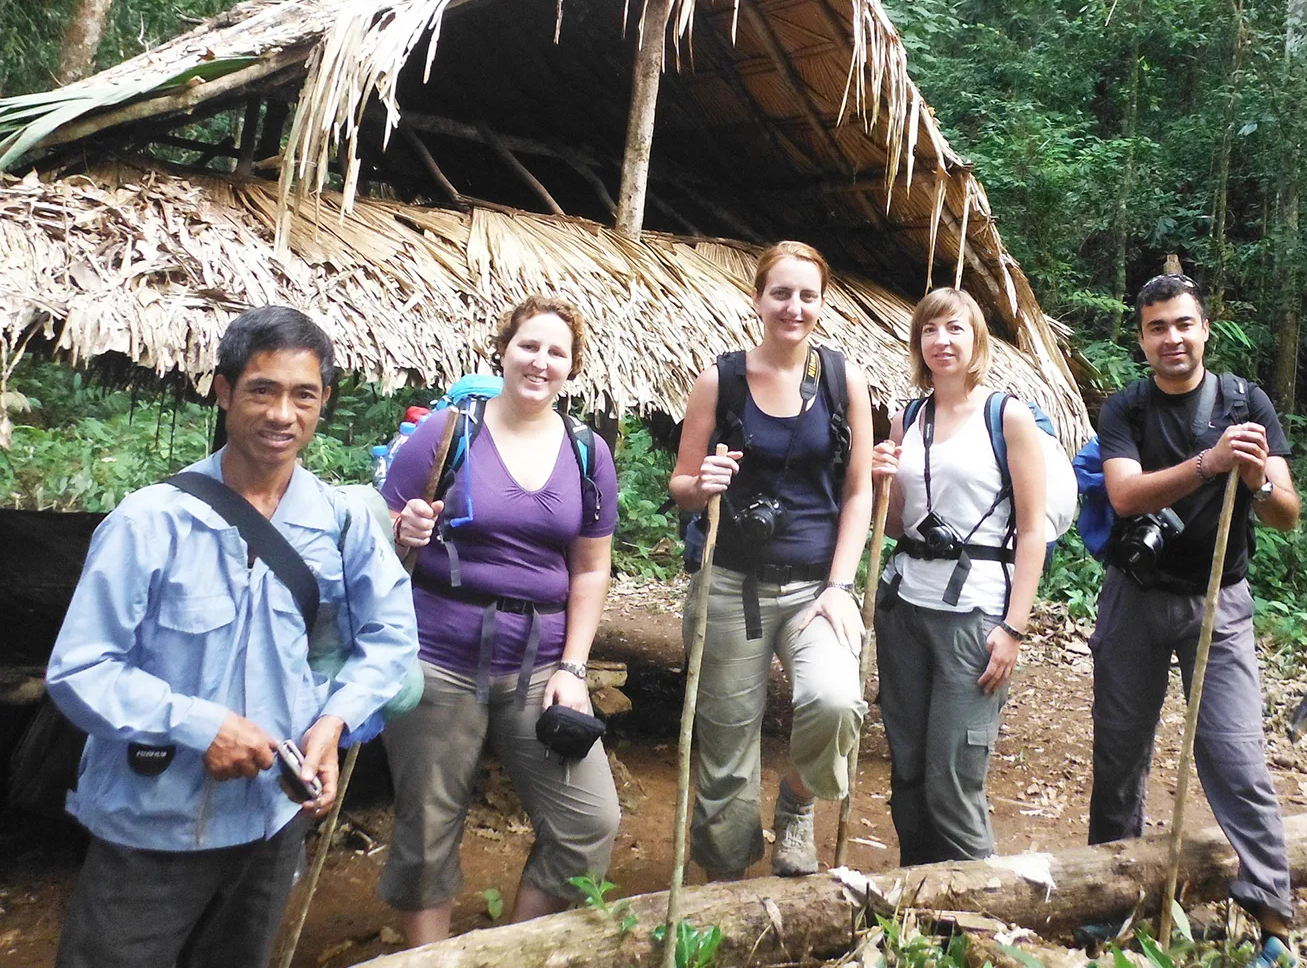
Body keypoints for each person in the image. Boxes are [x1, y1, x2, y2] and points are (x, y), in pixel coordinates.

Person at [46, 306, 420, 968]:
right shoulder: (150, 524)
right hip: (149, 827)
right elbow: (81, 670)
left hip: (272, 822)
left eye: (303, 395)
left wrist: (333, 723)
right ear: (223, 392)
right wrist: (198, 724)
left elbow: (392, 639)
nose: (282, 414)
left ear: (324, 402)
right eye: (262, 390)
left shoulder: (340, 524)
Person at [381, 296, 620, 944]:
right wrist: (409, 531)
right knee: (428, 827)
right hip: (438, 654)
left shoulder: (586, 452)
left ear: (573, 368)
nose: (540, 361)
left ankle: (513, 949)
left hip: (541, 662)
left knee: (588, 820)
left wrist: (574, 666)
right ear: (503, 350)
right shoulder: (448, 432)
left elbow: (592, 568)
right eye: (529, 346)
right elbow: (382, 538)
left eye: (556, 352)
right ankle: (428, 961)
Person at [1088, 273, 1301, 968]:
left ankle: (1273, 917)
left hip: (1221, 603)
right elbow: (1123, 496)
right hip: (1135, 596)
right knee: (1121, 753)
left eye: (1183, 324)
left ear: (1204, 329)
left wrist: (1257, 480)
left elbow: (1286, 514)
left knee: (1235, 755)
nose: (1172, 339)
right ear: (1143, 339)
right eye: (1157, 328)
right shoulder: (1127, 408)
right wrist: (1208, 463)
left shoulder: (1247, 403)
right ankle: (1107, 902)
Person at [667, 241, 874, 878]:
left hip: (818, 586)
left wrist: (842, 584)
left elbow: (859, 489)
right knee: (726, 738)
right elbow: (679, 483)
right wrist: (704, 484)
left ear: (822, 303)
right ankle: (725, 872)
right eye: (781, 293)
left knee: (836, 702)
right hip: (731, 582)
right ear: (759, 300)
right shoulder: (721, 379)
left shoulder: (844, 380)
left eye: (807, 295)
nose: (794, 306)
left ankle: (796, 808)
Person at [869, 286, 1047, 864]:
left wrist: (1014, 629)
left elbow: (1033, 529)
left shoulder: (1007, 417)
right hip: (905, 609)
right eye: (930, 330)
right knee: (908, 766)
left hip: (974, 616)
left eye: (955, 330)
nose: (941, 342)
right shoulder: (910, 416)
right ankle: (914, 905)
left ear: (976, 342)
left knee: (953, 774)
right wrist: (882, 481)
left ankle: (982, 911)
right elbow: (897, 524)